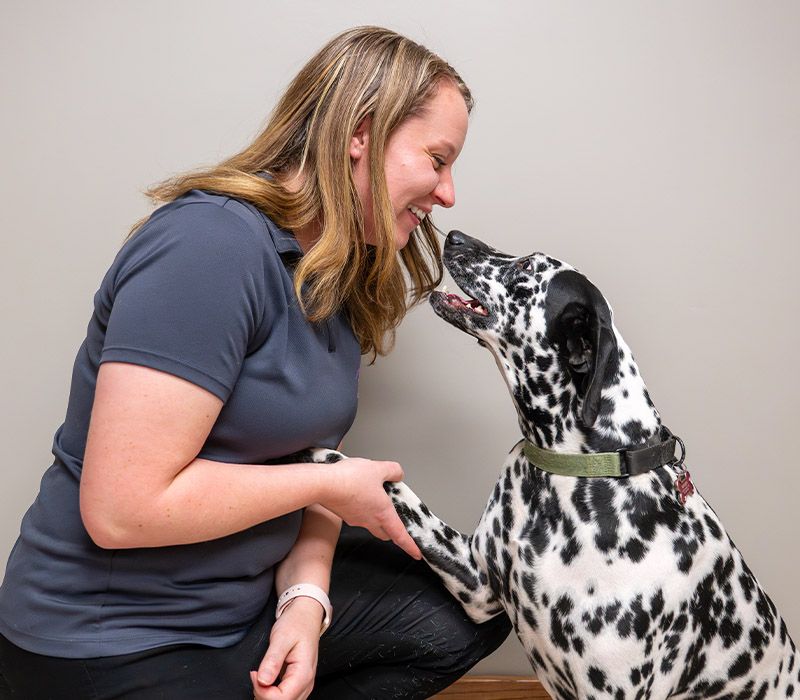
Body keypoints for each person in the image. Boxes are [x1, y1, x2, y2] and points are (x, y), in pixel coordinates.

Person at [0, 25, 510, 700]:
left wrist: (305, 602)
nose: (447, 194)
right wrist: (326, 487)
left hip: (240, 608)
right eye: (437, 159)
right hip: (114, 641)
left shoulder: (334, 267)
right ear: (361, 133)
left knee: (470, 605)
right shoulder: (207, 248)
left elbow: (315, 463)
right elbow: (121, 510)